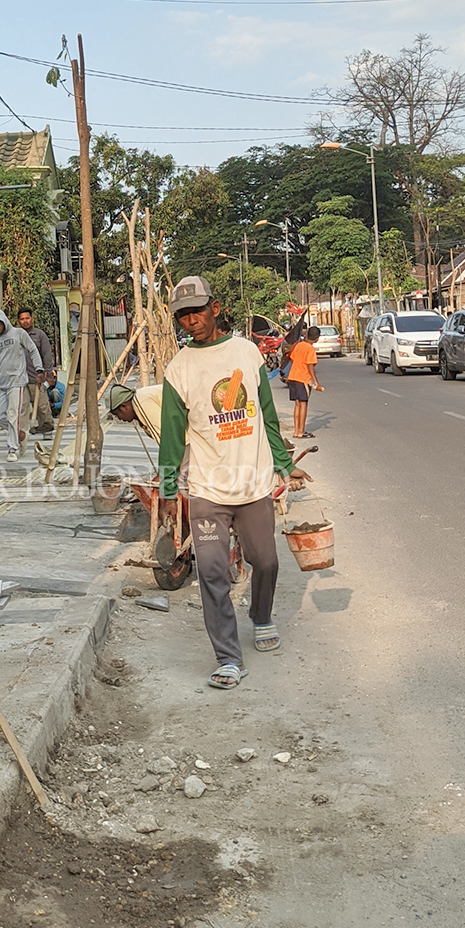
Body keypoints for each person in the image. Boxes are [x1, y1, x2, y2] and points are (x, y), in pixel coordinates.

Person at [158, 274, 310, 689]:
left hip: (252, 485)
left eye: (197, 311)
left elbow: (267, 415)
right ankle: (227, 657)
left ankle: (260, 615)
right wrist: (168, 489)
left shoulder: (246, 352)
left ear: (215, 308)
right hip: (208, 490)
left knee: (267, 561)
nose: (191, 321)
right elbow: (172, 436)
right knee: (211, 573)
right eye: (183, 316)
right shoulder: (179, 369)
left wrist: (284, 463)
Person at [0, 308, 43, 460]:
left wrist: (39, 369)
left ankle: (12, 449)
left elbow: (32, 350)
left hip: (17, 381)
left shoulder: (19, 333)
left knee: (13, 414)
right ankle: (20, 433)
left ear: (3, 320)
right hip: (1, 383)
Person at [16, 306, 57, 434]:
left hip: (37, 378)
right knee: (22, 407)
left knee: (42, 405)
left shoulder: (39, 335)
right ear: (18, 321)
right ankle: (23, 433)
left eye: (27, 318)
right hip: (21, 379)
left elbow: (47, 356)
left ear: (32, 319)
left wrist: (48, 375)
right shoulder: (16, 336)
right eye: (22, 319)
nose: (25, 321)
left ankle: (47, 428)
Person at [286, 324, 324, 440]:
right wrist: (316, 382)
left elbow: (292, 359)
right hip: (302, 379)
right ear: (317, 339)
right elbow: (310, 365)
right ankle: (301, 431)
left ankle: (296, 431)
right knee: (303, 404)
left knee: (297, 404)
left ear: (307, 334)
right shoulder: (310, 348)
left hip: (292, 377)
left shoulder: (298, 345)